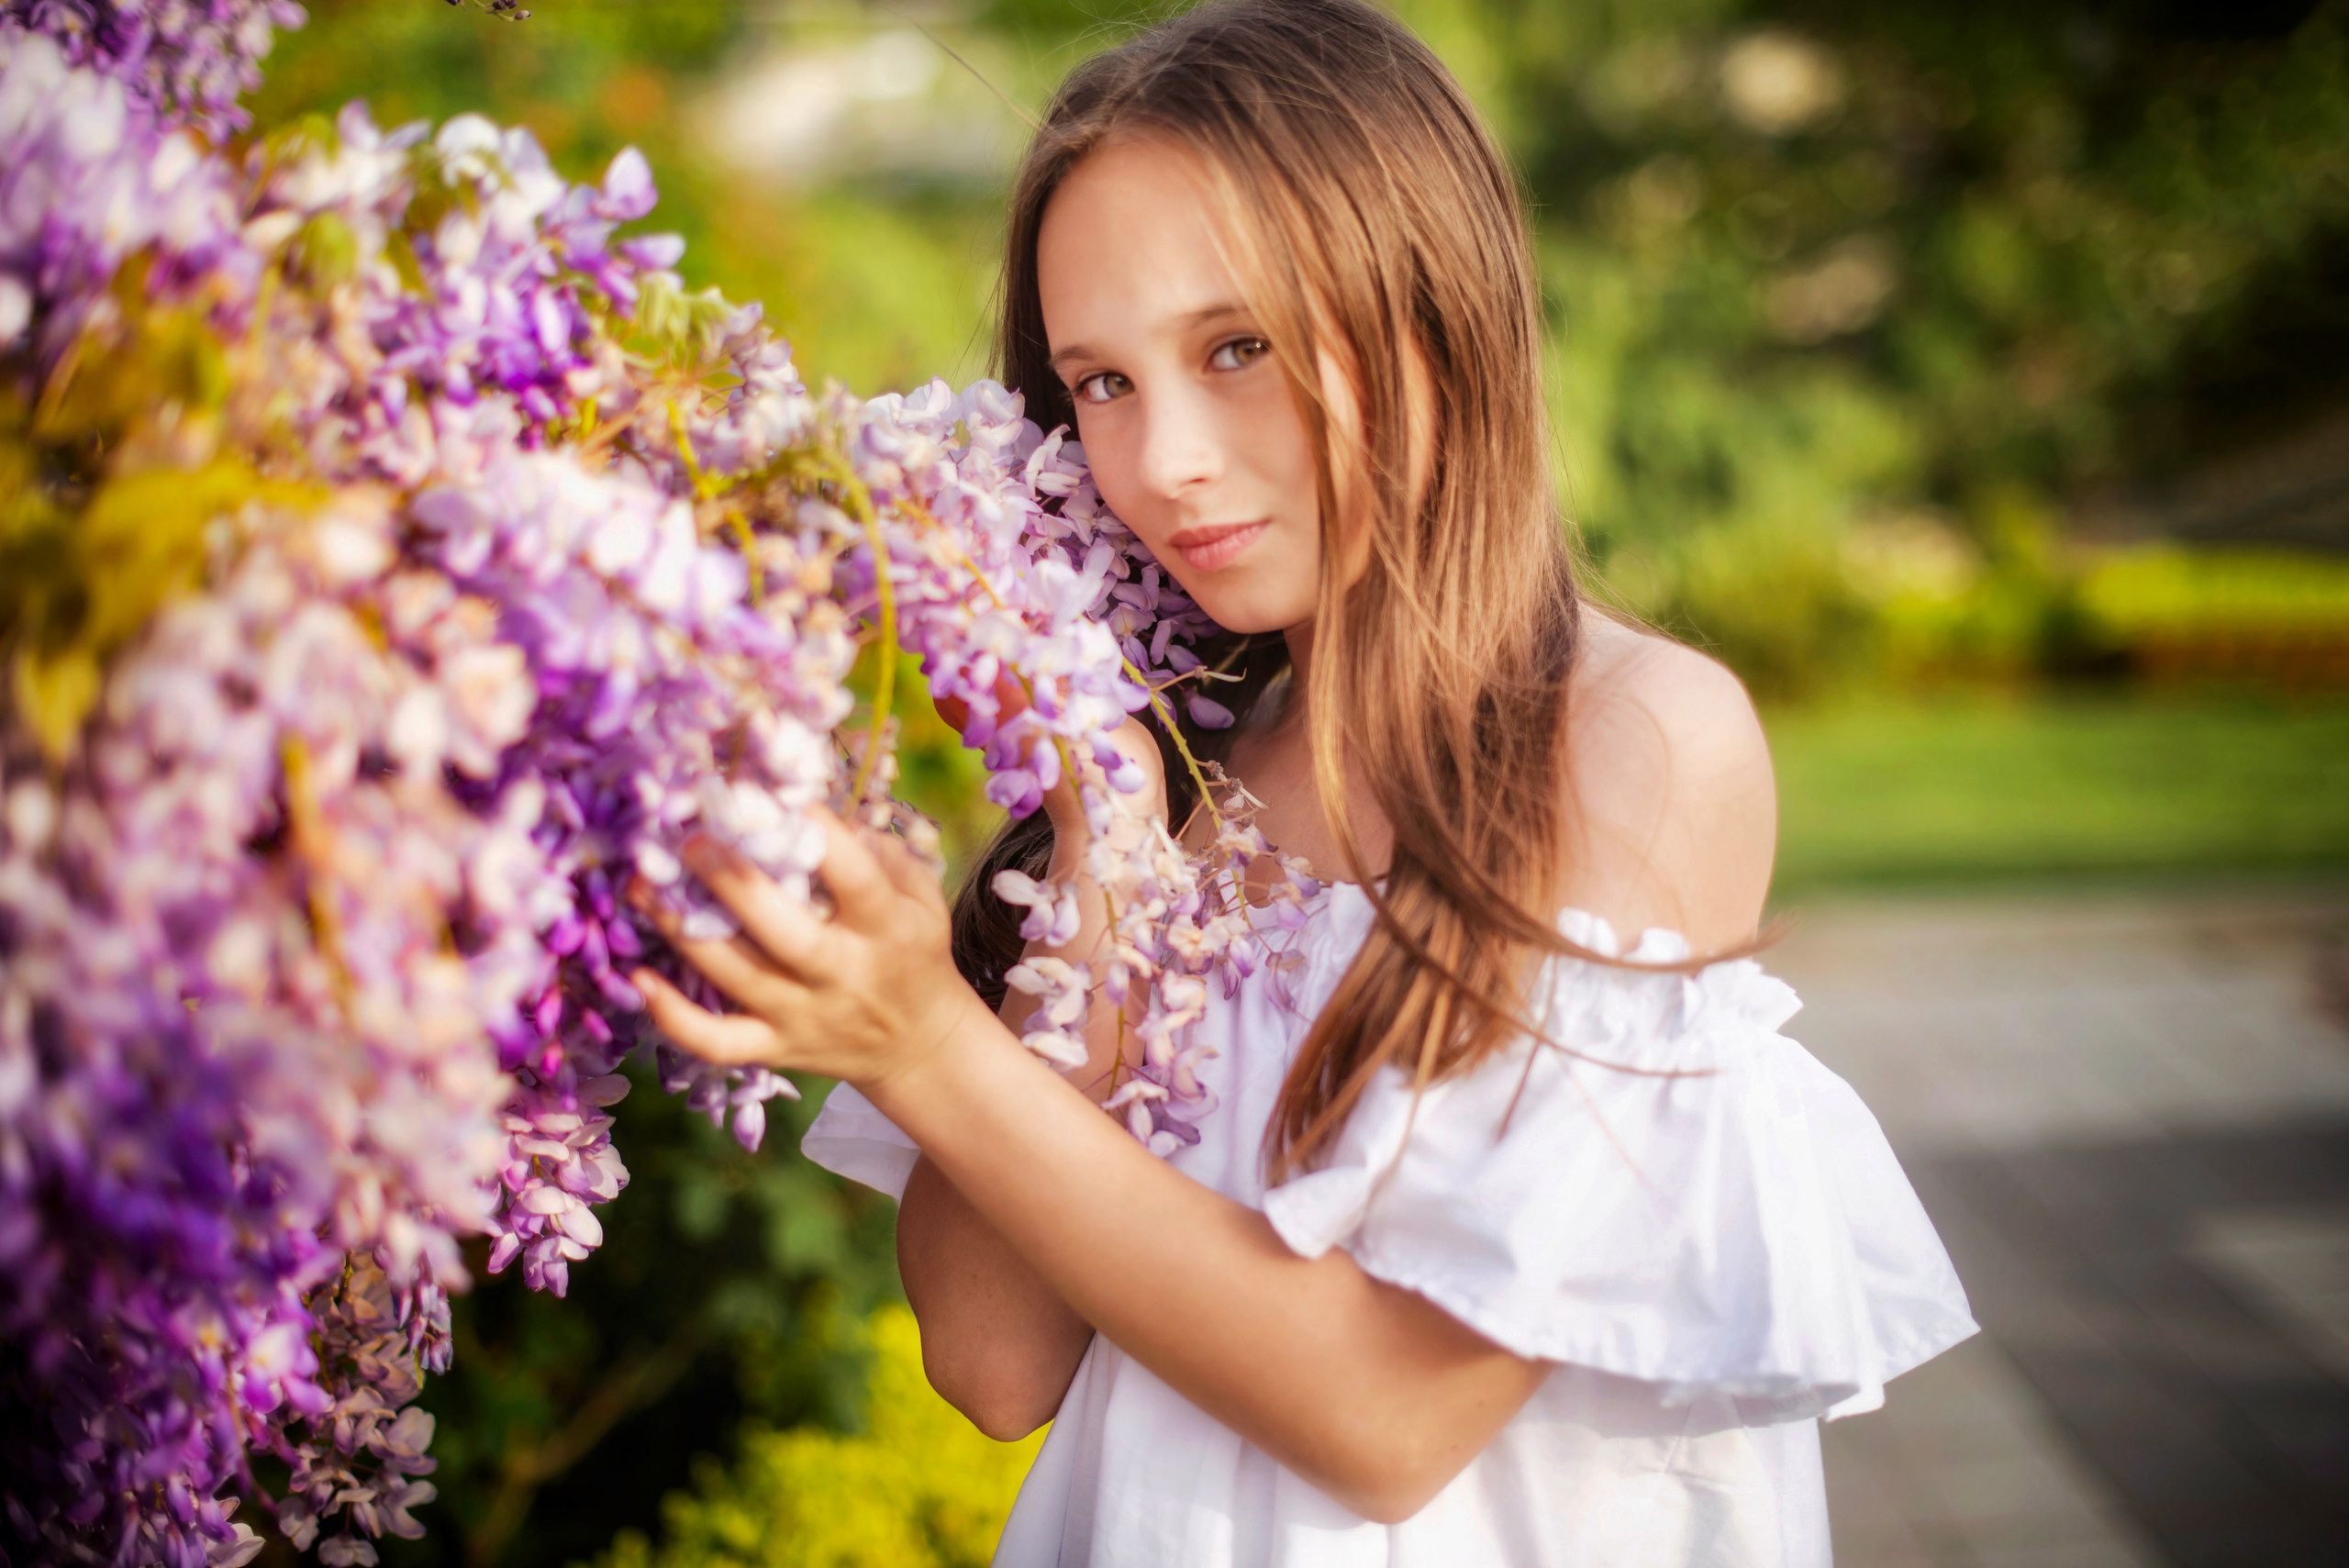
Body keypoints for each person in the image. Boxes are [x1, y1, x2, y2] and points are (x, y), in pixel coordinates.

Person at [626, 1, 1976, 1562]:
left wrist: (923, 1038)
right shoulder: (1172, 770)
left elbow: (1389, 1416)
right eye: (1102, 382)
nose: (1163, 460)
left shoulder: (1631, 744)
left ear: (1434, 310)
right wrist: (1106, 838)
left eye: (1237, 347)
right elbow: (995, 1365)